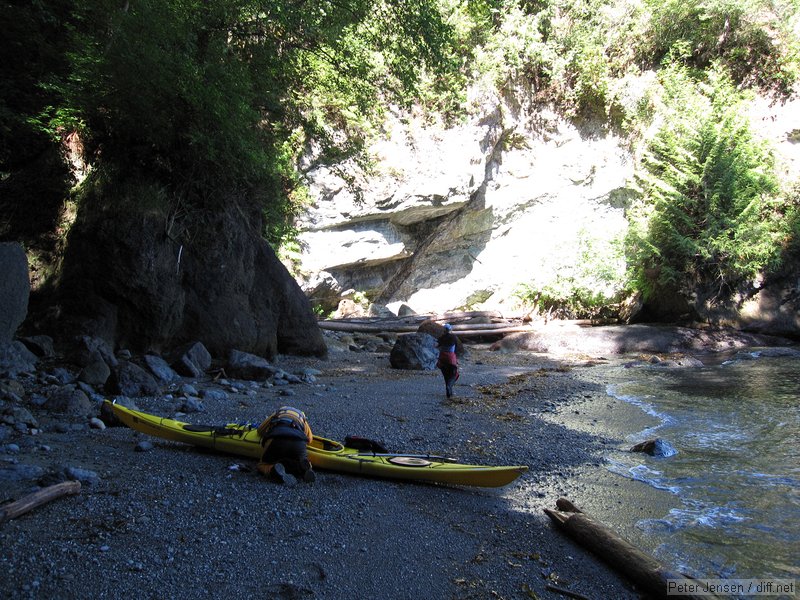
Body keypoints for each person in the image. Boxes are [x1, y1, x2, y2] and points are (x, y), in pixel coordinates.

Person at [256, 406, 315, 483]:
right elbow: (309, 439)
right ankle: (305, 468)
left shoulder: (277, 414)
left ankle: (273, 470)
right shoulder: (302, 418)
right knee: (301, 460)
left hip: (277, 439)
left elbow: (260, 430)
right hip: (298, 443)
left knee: (262, 465)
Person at [436, 323, 459, 398]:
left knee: (445, 375)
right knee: (454, 374)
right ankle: (449, 387)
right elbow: (457, 349)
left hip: (442, 357)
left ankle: (449, 392)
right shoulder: (454, 337)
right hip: (450, 357)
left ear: (444, 330)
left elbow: (437, 346)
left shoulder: (441, 338)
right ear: (450, 330)